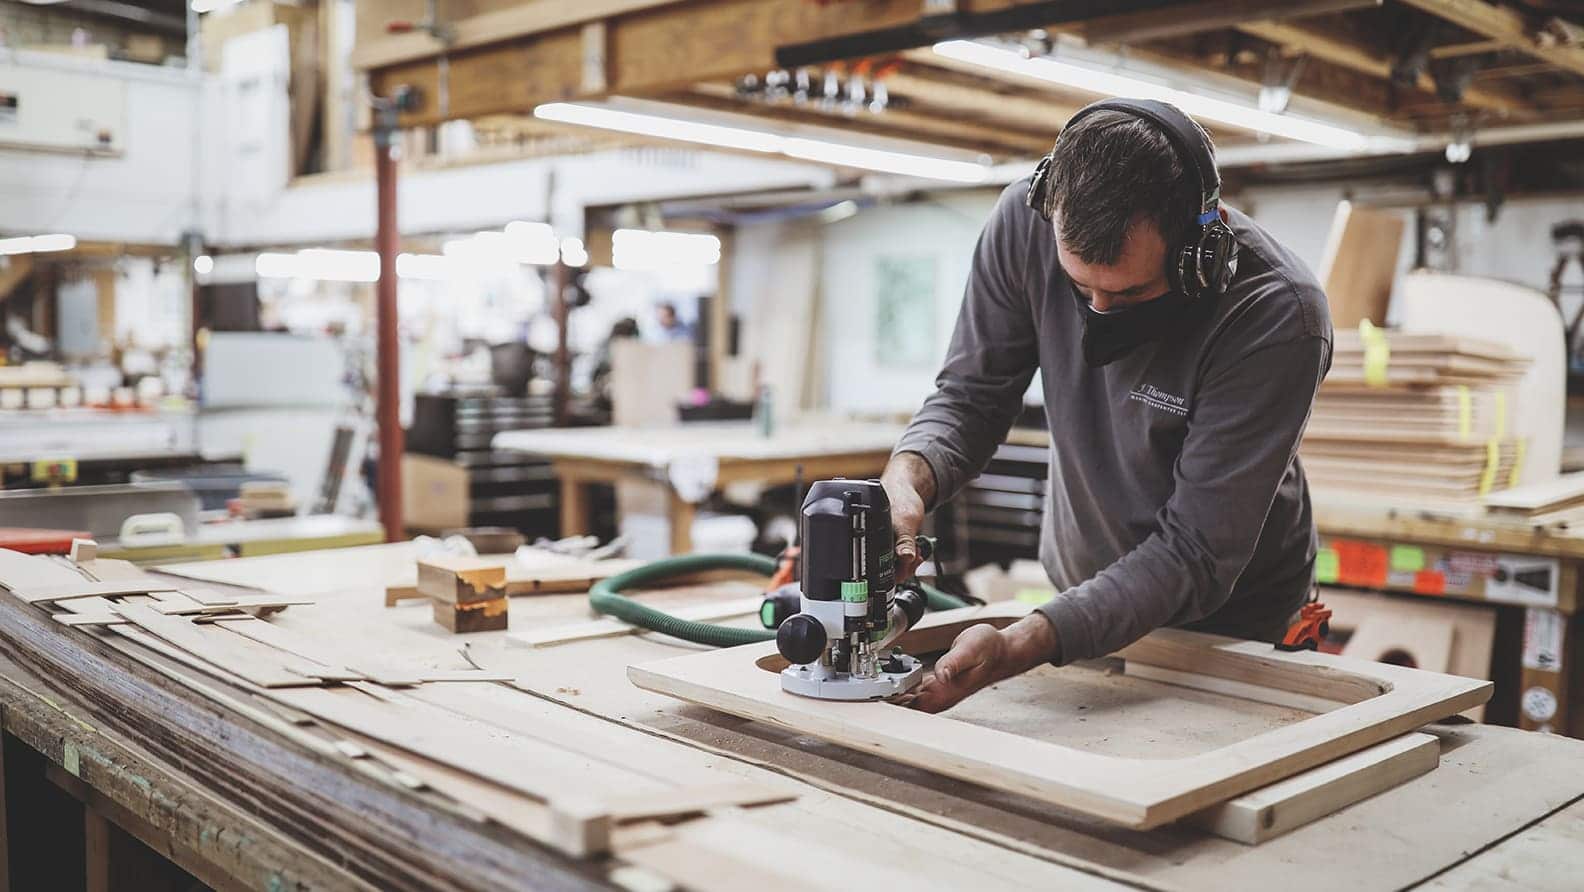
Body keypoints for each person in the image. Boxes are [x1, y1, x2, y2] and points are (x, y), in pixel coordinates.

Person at [883, 98, 1332, 714]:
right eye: (1079, 286)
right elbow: (970, 397)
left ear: (1201, 250)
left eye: (1131, 294)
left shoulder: (1276, 314)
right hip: (1081, 606)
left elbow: (1195, 551)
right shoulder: (1025, 225)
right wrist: (905, 482)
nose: (1097, 313)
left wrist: (1024, 642)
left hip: (1234, 627)